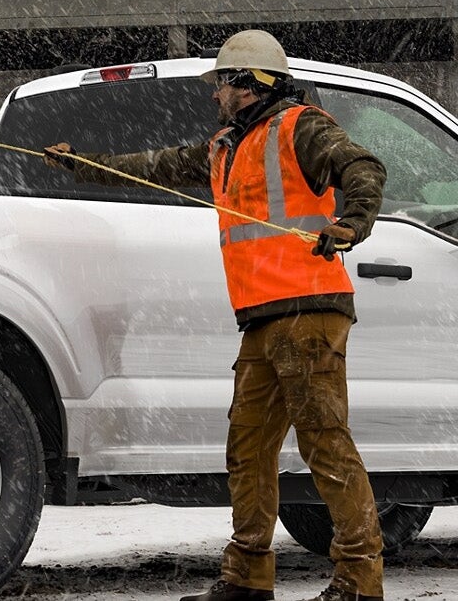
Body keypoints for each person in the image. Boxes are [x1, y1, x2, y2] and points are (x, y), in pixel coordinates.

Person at [43, 30, 389, 601]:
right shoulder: (225, 146)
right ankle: (248, 578)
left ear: (251, 84)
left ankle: (359, 579)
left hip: (308, 310)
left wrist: (352, 222)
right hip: (261, 318)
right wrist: (81, 165)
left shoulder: (301, 126)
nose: (215, 95)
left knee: (324, 442)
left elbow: (363, 166)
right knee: (248, 447)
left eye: (222, 83)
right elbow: (152, 166)